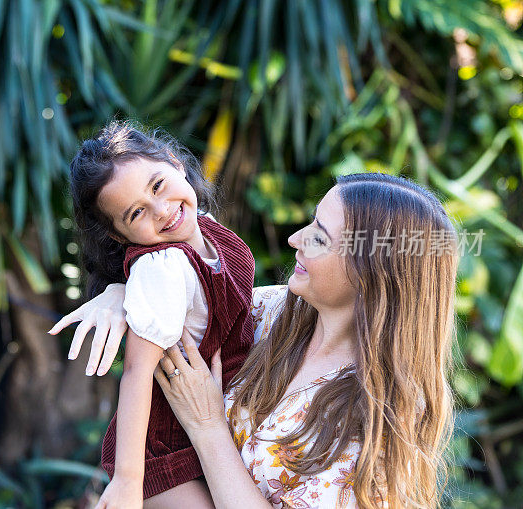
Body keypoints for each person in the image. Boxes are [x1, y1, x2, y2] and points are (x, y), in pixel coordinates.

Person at [49, 173, 458, 508]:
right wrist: (119, 293)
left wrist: (208, 428)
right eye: (311, 222)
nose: (296, 238)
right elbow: (176, 283)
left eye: (319, 236)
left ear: (371, 272)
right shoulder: (270, 314)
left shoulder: (381, 413)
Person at [64, 121, 256, 507]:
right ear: (120, 236)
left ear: (175, 162)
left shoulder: (209, 230)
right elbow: (136, 372)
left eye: (157, 186)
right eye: (136, 213)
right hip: (164, 454)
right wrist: (128, 480)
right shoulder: (164, 268)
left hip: (209, 426)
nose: (163, 210)